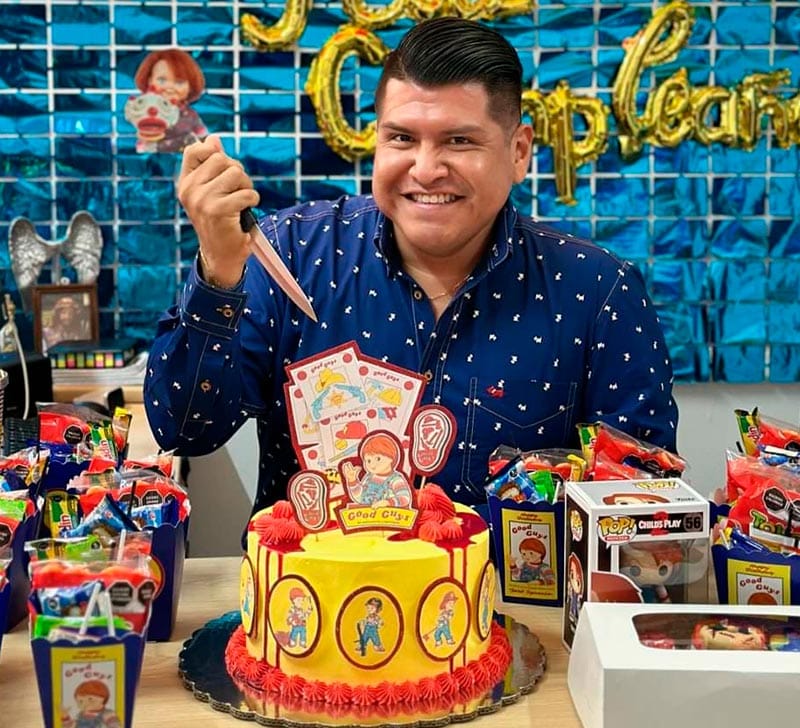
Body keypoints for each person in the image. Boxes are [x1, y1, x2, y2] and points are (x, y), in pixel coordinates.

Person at [144, 17, 678, 531]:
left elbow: (642, 509)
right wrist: (218, 272)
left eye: (459, 141)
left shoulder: (598, 291)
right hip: (307, 590)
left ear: (518, 152)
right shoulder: (290, 255)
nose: (425, 169)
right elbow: (184, 431)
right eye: (401, 138)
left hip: (513, 593)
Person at [133, 48, 207, 153]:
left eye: (179, 82)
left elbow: (202, 133)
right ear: (149, 81)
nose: (169, 87)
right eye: (161, 80)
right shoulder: (148, 111)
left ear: (190, 86)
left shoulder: (190, 114)